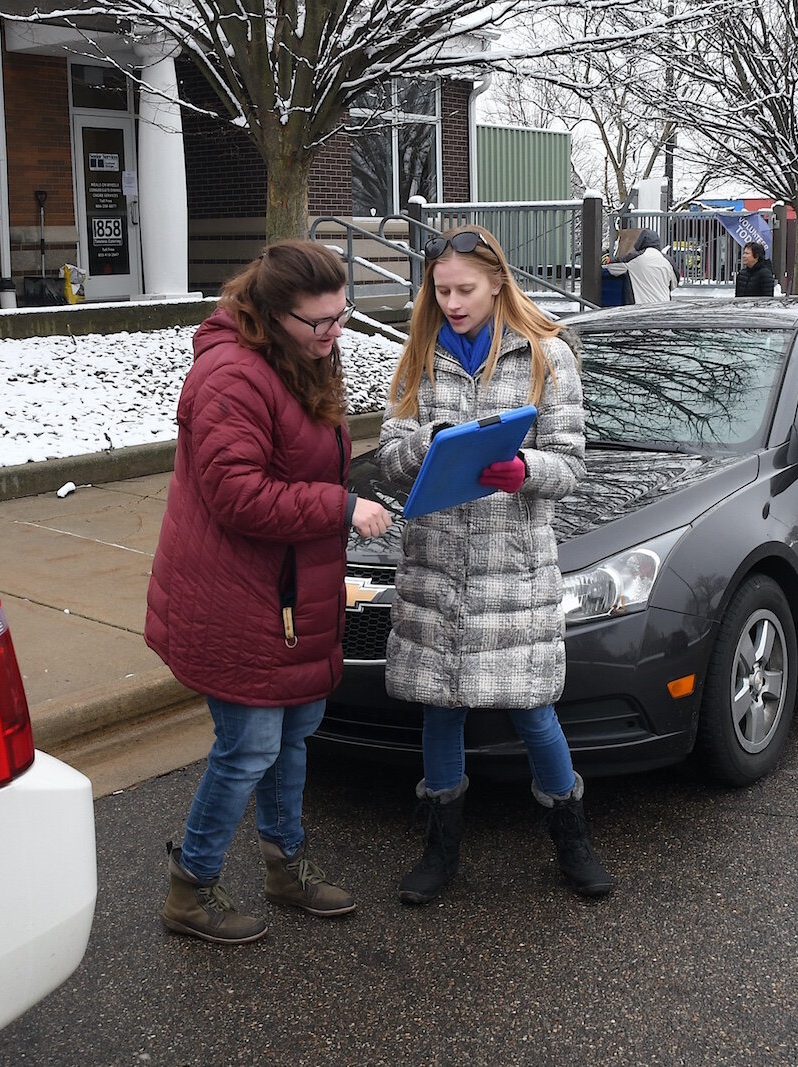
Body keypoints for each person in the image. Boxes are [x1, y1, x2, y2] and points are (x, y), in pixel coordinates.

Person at [146, 240, 392, 945]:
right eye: (321, 323)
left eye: (342, 316)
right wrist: (339, 508)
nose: (336, 334)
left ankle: (286, 867)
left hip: (289, 591)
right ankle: (190, 889)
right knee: (249, 747)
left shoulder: (303, 353)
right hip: (236, 597)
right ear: (273, 314)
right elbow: (237, 495)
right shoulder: (229, 376)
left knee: (292, 735)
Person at [375, 225, 615, 902]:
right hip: (437, 565)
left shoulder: (548, 356)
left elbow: (570, 464)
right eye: (441, 289)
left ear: (498, 282)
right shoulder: (417, 356)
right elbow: (388, 458)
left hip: (513, 569)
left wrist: (524, 467)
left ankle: (571, 836)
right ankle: (440, 847)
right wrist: (427, 445)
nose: (451, 302)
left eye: (465, 289)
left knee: (534, 708)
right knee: (441, 710)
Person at [604, 229, 678, 304]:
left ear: (640, 242)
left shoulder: (633, 258)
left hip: (640, 308)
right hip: (663, 306)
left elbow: (612, 268)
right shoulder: (668, 261)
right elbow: (674, 284)